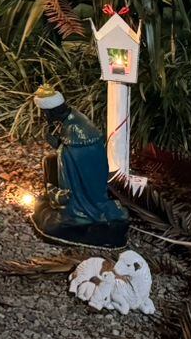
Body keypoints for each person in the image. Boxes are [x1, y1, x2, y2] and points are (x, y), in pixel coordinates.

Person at [30, 84, 129, 248]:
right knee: (49, 161)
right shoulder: (71, 118)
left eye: (45, 113)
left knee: (76, 199)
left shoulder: (75, 128)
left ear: (51, 111)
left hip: (86, 178)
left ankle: (78, 213)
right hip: (89, 168)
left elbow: (75, 160)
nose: (44, 116)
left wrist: (59, 146)